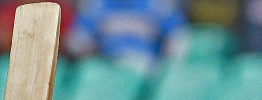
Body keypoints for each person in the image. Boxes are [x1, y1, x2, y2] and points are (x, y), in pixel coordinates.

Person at [63, 0, 191, 73]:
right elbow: (76, 43)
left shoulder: (159, 5)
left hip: (148, 71)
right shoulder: (96, 6)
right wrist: (91, 53)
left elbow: (178, 41)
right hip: (107, 71)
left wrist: (164, 66)